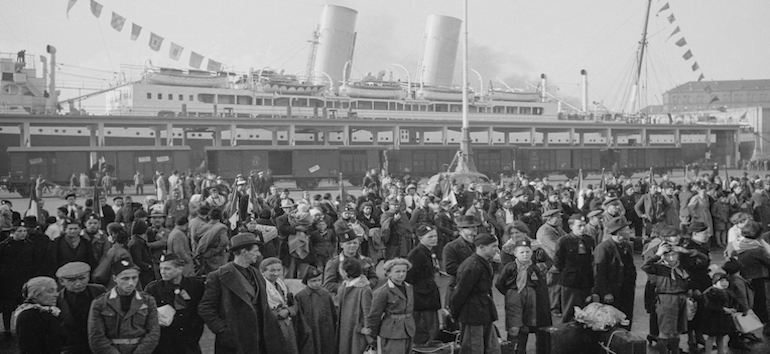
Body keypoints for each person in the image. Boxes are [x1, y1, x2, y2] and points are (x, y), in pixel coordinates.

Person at [197, 233, 289, 354]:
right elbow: (205, 308)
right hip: (236, 338)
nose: (259, 254)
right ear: (244, 251)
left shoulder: (256, 274)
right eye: (255, 251)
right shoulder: (219, 276)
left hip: (260, 336)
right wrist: (223, 331)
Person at [87, 260, 160, 354]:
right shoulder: (100, 303)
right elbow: (96, 337)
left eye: (134, 278)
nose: (131, 283)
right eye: (125, 278)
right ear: (114, 278)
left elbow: (153, 333)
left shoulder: (148, 301)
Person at [642, 242, 701, 354]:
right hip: (666, 299)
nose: (671, 258)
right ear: (663, 256)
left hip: (681, 298)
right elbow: (645, 266)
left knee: (677, 330)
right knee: (665, 330)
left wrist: (686, 251)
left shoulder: (682, 267)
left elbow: (703, 260)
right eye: (667, 255)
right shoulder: (659, 267)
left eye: (674, 255)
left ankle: (675, 351)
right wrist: (657, 255)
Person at [496, 238, 551, 354]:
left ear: (532, 253)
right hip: (514, 298)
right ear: (515, 253)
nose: (525, 255)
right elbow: (500, 283)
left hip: (531, 299)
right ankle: (511, 350)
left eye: (527, 252)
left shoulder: (535, 268)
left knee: (526, 325)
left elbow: (540, 285)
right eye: (522, 252)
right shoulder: (510, 267)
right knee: (514, 326)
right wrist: (511, 294)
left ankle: (521, 350)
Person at [145, 254, 205, 354]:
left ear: (180, 269)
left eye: (167, 269)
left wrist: (195, 332)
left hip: (189, 342)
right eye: (161, 268)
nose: (162, 272)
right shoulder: (154, 289)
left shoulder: (196, 286)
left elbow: (201, 310)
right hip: (165, 343)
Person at [450, 233, 501, 354]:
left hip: (483, 311)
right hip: (472, 314)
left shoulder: (483, 263)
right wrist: (455, 313)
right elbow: (460, 293)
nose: (496, 249)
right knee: (473, 349)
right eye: (493, 246)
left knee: (491, 348)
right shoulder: (472, 266)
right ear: (482, 247)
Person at [594, 217, 637, 330]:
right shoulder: (603, 248)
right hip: (612, 292)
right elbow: (600, 273)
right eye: (627, 230)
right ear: (619, 233)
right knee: (611, 320)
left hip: (626, 291)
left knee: (626, 319)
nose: (630, 232)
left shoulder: (627, 246)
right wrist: (606, 292)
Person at [55, 261, 107, 354]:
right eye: (71, 280)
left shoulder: (99, 291)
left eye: (82, 278)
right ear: (62, 281)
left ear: (88, 277)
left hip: (99, 345)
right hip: (71, 348)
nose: (78, 283)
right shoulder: (56, 300)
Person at [366, 258, 415, 354]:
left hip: (408, 330)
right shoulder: (383, 291)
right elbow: (374, 316)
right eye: (397, 271)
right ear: (389, 273)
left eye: (404, 271)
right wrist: (375, 336)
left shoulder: (409, 288)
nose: (401, 274)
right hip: (391, 332)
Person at [553, 214, 596, 323]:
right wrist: (568, 272)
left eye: (584, 225)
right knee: (569, 313)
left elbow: (591, 259)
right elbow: (558, 261)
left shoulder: (589, 240)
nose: (582, 229)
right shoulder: (564, 241)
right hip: (570, 282)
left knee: (587, 312)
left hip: (586, 281)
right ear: (571, 226)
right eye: (579, 226)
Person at [0, 223, 39, 338]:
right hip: (8, 280)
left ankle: (23, 328)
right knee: (7, 306)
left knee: (25, 304)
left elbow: (34, 262)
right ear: (13, 233)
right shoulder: (4, 246)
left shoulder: (30, 245)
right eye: (20, 231)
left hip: (25, 278)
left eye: (24, 231)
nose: (23, 234)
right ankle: (7, 329)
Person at [405, 225, 441, 346]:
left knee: (432, 328)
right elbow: (407, 276)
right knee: (424, 330)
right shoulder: (417, 254)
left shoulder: (427, 251)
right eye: (430, 236)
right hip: (421, 298)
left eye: (435, 236)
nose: (434, 239)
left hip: (428, 295)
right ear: (420, 238)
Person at [13, 276, 62, 354]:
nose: (56, 294)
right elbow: (30, 349)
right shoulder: (28, 316)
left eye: (56, 290)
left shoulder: (48, 312)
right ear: (36, 294)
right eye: (50, 291)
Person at [323, 230, 378, 296]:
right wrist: (350, 286)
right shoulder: (334, 263)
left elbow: (374, 278)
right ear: (341, 245)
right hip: (343, 298)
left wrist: (367, 284)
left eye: (355, 243)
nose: (352, 245)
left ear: (359, 244)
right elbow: (328, 284)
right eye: (348, 243)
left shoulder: (366, 260)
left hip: (363, 297)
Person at [336, 258, 374, 354]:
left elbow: (367, 312)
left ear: (345, 272)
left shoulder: (364, 289)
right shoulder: (344, 286)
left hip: (356, 331)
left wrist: (367, 333)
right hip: (344, 331)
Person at [443, 215, 479, 307]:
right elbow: (450, 268)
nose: (473, 232)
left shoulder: (479, 245)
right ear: (460, 230)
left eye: (475, 227)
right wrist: (474, 269)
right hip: (458, 288)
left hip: (477, 290)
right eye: (470, 229)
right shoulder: (451, 247)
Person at [536, 209, 565, 317]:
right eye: (557, 217)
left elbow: (566, 238)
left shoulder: (556, 228)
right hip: (551, 262)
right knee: (553, 286)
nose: (560, 219)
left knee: (558, 285)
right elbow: (555, 247)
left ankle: (558, 306)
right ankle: (553, 308)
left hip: (557, 261)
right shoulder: (545, 231)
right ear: (549, 219)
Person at [701, 273, 738, 354]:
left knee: (721, 336)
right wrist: (724, 309)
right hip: (713, 318)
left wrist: (732, 309)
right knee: (712, 337)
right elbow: (709, 306)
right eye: (722, 281)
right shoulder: (711, 292)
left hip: (722, 318)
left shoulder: (727, 292)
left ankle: (720, 351)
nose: (725, 283)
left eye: (726, 281)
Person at [194, 209, 229, 276]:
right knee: (219, 275)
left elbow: (195, 237)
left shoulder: (203, 226)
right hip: (216, 256)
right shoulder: (221, 227)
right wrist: (216, 251)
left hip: (204, 254)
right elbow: (224, 241)